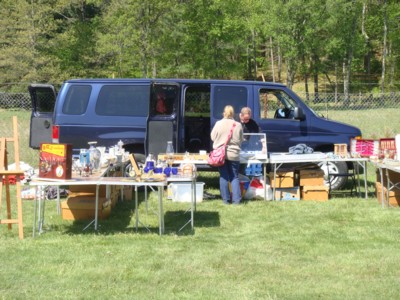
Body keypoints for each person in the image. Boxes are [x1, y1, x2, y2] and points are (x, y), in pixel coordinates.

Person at [210, 105, 243, 204]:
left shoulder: (218, 123)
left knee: (224, 176)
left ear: (224, 113)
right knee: (234, 177)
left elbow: (212, 137)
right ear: (233, 114)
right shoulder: (238, 125)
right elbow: (241, 139)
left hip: (221, 155)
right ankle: (236, 200)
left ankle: (226, 200)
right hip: (234, 154)